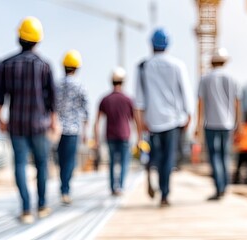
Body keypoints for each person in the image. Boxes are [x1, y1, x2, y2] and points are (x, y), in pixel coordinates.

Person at [0, 16, 57, 224]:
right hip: (39, 124)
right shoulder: (44, 66)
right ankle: (43, 204)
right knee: (41, 165)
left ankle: (26, 208)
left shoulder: (6, 65)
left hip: (16, 123)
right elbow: (52, 99)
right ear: (38, 40)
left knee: (20, 164)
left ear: (19, 37)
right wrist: (53, 120)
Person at [135, 28, 193, 207]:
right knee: (169, 158)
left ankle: (156, 181)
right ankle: (164, 192)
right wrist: (189, 116)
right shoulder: (177, 65)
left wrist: (140, 124)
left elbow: (139, 100)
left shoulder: (143, 66)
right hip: (174, 120)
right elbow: (186, 93)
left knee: (156, 157)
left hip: (152, 121)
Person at [194, 48, 241, 200]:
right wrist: (238, 123)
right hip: (227, 124)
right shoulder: (232, 78)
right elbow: (237, 103)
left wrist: (198, 125)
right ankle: (224, 186)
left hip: (211, 123)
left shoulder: (205, 79)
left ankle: (219, 187)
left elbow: (200, 103)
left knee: (214, 157)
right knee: (224, 156)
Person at [94, 67, 136, 196]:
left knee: (112, 162)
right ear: (123, 81)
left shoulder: (105, 99)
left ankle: (113, 187)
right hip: (124, 135)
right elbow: (135, 120)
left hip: (110, 135)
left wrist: (96, 139)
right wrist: (139, 137)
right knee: (124, 162)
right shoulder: (128, 99)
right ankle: (121, 187)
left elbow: (97, 121)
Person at [55, 49, 88, 205]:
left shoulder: (57, 85)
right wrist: (86, 131)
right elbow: (85, 111)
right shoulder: (80, 86)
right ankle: (65, 190)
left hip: (57, 129)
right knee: (70, 162)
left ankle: (63, 187)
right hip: (73, 129)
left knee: (61, 161)